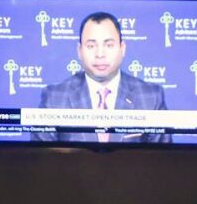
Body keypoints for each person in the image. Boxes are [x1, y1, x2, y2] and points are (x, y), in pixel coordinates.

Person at [36, 11, 169, 143]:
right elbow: (42, 155)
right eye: (91, 46)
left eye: (109, 45)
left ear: (122, 48)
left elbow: (163, 155)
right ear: (79, 51)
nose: (100, 54)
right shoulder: (54, 97)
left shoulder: (151, 97)